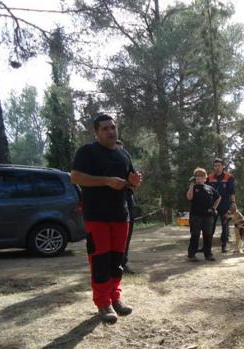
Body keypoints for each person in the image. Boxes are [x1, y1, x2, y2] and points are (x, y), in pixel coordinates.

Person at [71, 114, 142, 324]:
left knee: (117, 260)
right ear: (96, 132)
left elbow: (130, 181)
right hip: (96, 215)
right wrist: (106, 181)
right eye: (105, 128)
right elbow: (75, 177)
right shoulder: (87, 152)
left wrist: (135, 181)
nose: (111, 131)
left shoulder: (123, 154)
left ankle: (115, 297)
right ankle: (103, 303)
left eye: (112, 127)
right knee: (100, 260)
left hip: (121, 214)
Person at [187, 167, 220, 262]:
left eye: (202, 176)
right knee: (195, 235)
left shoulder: (209, 188)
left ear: (205, 178)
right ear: (195, 177)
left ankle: (208, 254)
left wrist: (214, 208)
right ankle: (192, 255)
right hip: (195, 216)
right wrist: (191, 186)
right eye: (198, 176)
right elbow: (189, 198)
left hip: (208, 216)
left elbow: (218, 197)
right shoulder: (193, 187)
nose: (200, 178)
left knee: (208, 235)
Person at [115, 139, 137, 274]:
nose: (120, 152)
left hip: (127, 200)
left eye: (121, 149)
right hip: (109, 203)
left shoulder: (127, 161)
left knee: (126, 235)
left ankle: (123, 263)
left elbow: (134, 181)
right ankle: (112, 264)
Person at [206, 158, 236, 253]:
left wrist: (233, 203)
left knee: (225, 225)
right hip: (213, 205)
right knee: (210, 225)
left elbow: (232, 192)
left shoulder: (229, 177)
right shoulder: (209, 177)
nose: (217, 167)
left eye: (219, 165)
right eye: (215, 166)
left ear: (223, 166)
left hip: (225, 204)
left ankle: (224, 245)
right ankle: (208, 246)